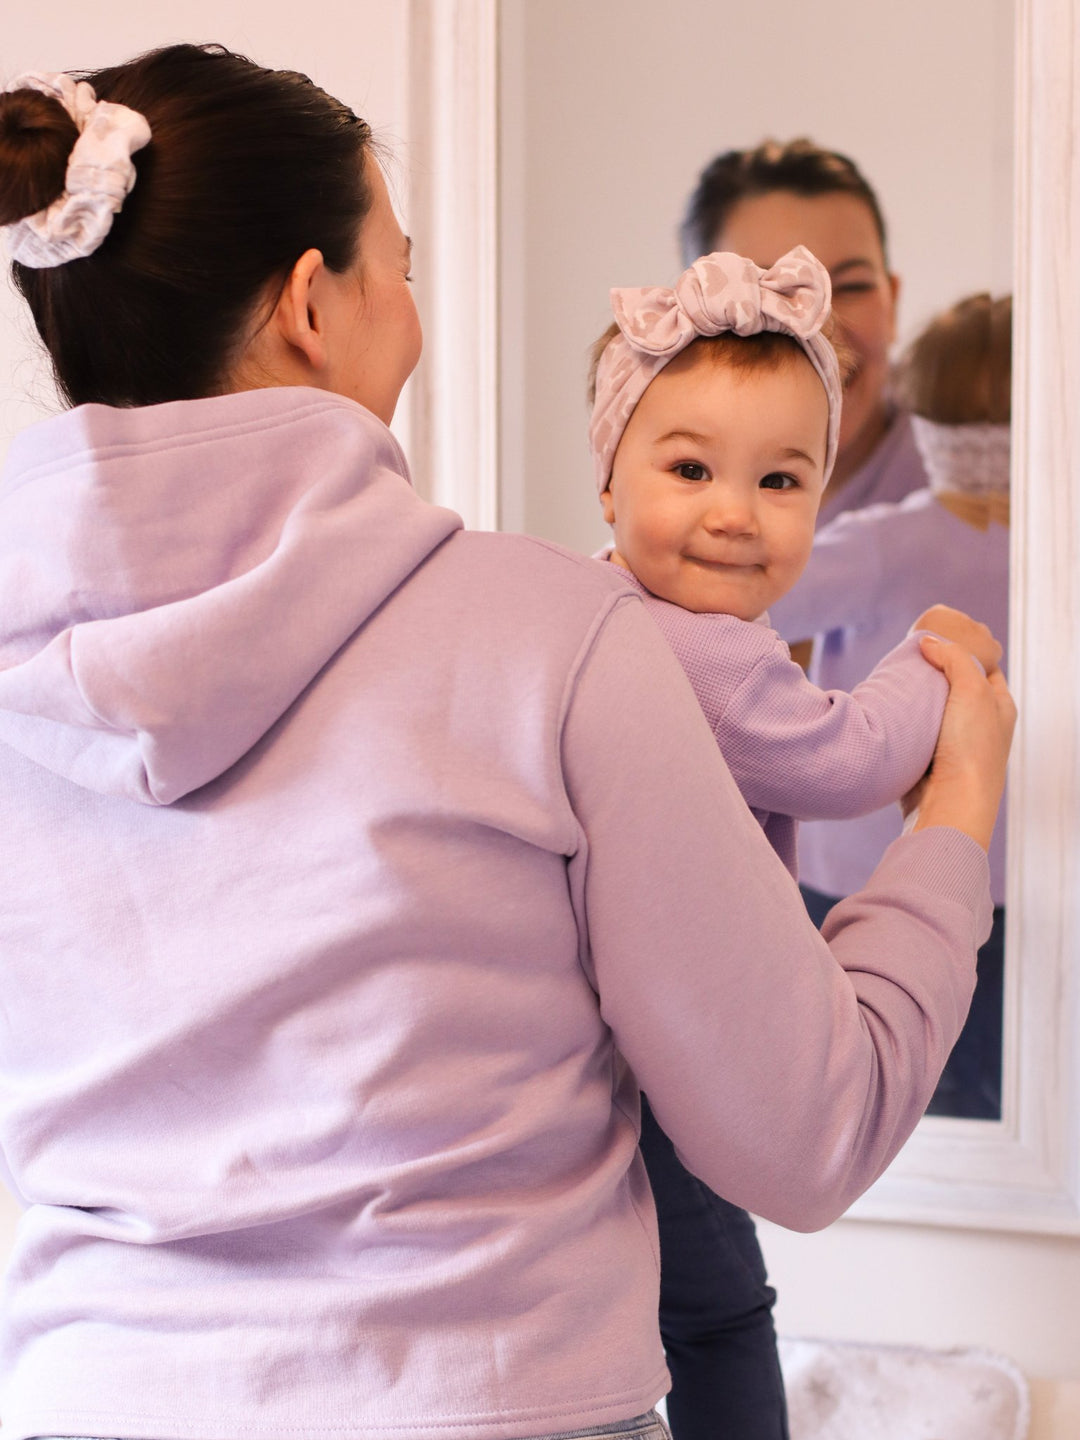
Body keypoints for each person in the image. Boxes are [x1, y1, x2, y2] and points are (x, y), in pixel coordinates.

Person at [0, 44, 1013, 1440]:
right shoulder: (558, 639)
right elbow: (810, 1131)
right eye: (398, 267)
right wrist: (956, 813)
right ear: (312, 303)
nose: (412, 316)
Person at [586, 249, 1001, 1440]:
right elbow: (849, 761)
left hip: (619, 1037)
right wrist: (933, 661)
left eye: (781, 479)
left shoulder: (593, 607)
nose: (733, 512)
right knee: (720, 1310)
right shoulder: (701, 653)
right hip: (684, 1048)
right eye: (689, 468)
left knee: (680, 1297)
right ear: (609, 479)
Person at [769, 293, 1012, 1120]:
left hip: (856, 868)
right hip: (1013, 867)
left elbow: (752, 603)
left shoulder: (879, 542)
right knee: (984, 1077)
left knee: (870, 1063)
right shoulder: (1059, 547)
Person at [680, 139, 926, 531]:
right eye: (770, 290)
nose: (820, 328)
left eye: (851, 287)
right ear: (695, 316)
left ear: (892, 303)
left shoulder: (989, 510)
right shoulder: (661, 520)